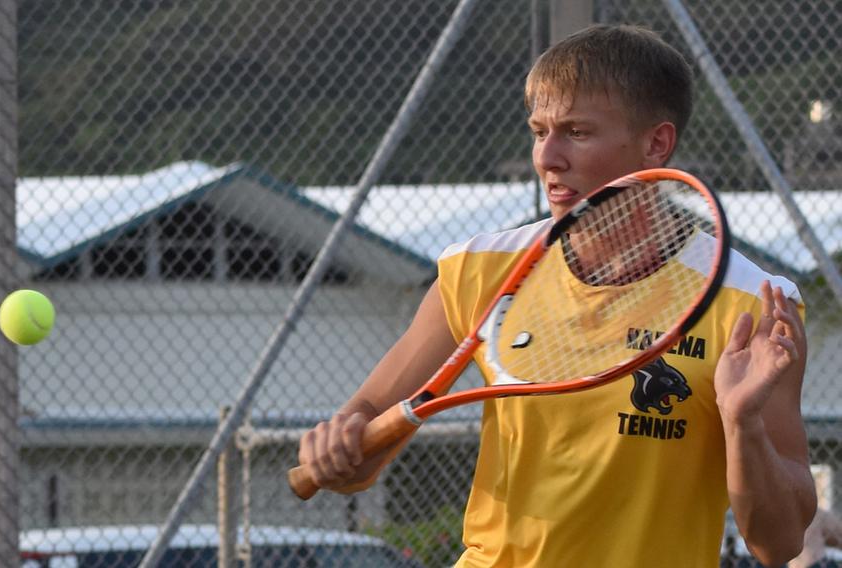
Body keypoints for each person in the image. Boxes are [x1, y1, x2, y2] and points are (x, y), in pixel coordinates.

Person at [297, 24, 816, 567]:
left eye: (576, 132)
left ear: (656, 143)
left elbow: (778, 544)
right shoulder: (479, 269)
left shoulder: (752, 305)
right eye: (539, 131)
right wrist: (337, 445)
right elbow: (361, 450)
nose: (548, 157)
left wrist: (743, 423)